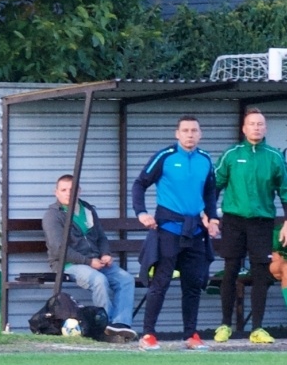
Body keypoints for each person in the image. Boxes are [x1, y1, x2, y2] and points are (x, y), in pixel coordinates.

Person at [131, 115, 220, 351]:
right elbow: (139, 184)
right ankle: (148, 334)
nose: (190, 134)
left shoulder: (205, 159)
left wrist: (213, 219)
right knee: (160, 282)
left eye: (194, 130)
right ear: (177, 134)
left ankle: (191, 335)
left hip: (196, 232)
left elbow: (211, 191)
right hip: (168, 229)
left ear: (200, 134)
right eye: (185, 130)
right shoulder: (165, 156)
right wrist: (142, 213)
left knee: (193, 285)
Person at [213, 108, 287, 343]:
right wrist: (209, 215)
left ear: (266, 128)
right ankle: (224, 325)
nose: (256, 128)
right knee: (230, 270)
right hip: (233, 221)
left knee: (261, 272)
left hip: (262, 222)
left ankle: (257, 328)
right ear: (244, 128)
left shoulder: (274, 156)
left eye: (260, 124)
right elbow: (214, 186)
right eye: (252, 124)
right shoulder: (231, 154)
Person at [42, 175, 135, 339]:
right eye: (63, 190)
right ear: (56, 192)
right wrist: (88, 261)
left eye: (72, 190)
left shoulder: (88, 210)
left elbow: (101, 237)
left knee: (126, 279)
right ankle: (104, 327)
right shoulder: (53, 215)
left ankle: (120, 325)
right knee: (99, 280)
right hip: (68, 264)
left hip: (95, 261)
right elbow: (58, 249)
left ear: (79, 191)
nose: (68, 193)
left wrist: (105, 254)